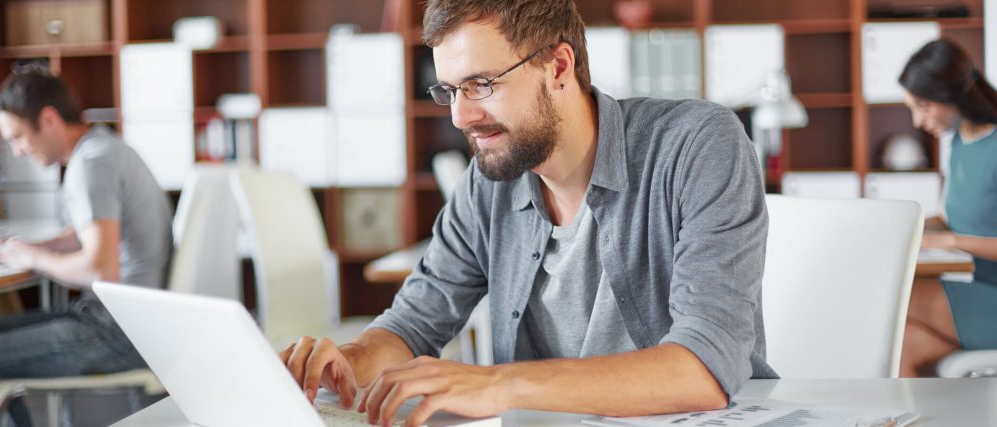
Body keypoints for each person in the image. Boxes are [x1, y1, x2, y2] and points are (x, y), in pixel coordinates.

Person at [282, 0, 776, 424]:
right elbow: (413, 325)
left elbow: (705, 367)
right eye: (450, 91)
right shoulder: (488, 184)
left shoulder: (698, 144)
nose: (460, 117)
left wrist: (500, 385)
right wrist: (346, 363)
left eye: (481, 84)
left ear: (558, 67)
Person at [0, 69, 173, 426]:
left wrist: (31, 256)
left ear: (48, 118)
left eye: (17, 137)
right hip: (133, 325)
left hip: (114, 333)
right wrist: (33, 246)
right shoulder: (105, 148)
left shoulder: (92, 164)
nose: (18, 151)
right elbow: (92, 233)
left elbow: (98, 269)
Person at [898, 39, 997, 377]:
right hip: (984, 292)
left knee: (899, 298)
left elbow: (957, 232)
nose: (917, 120)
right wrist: (906, 225)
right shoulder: (958, 144)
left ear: (954, 95)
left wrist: (948, 241)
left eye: (924, 106)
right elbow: (957, 217)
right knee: (904, 344)